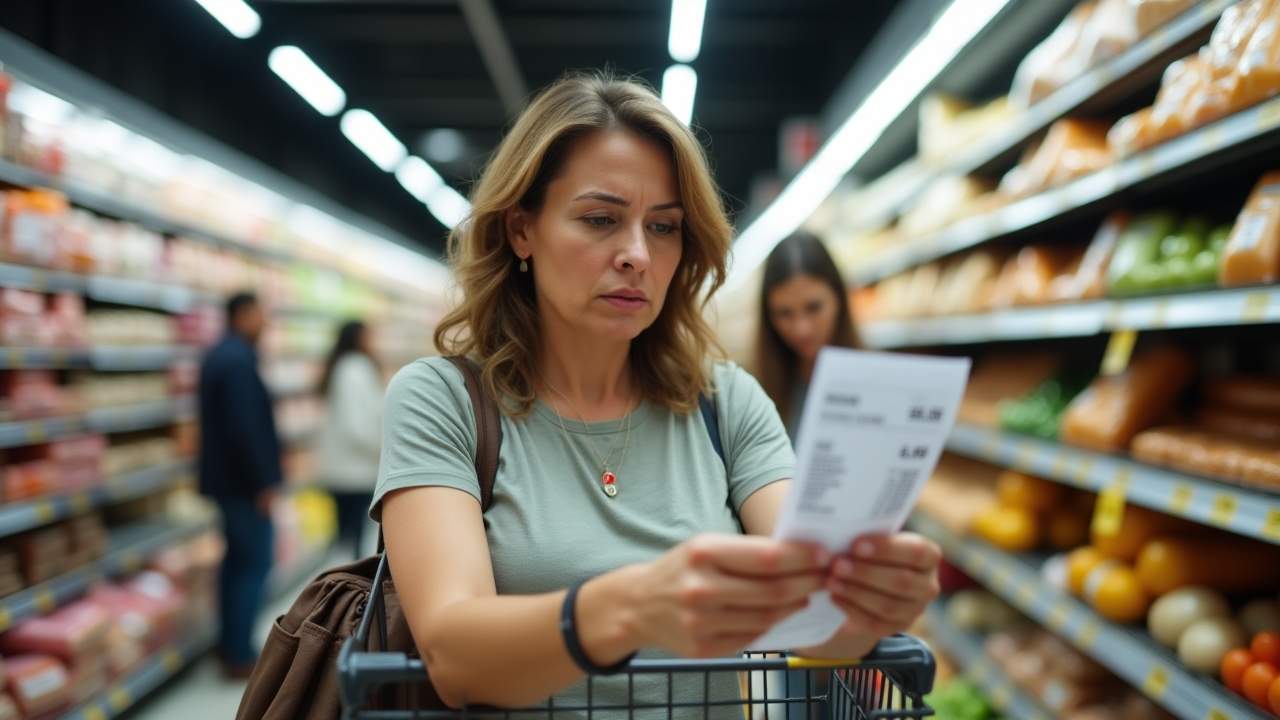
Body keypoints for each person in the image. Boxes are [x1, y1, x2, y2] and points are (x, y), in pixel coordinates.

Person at [374, 72, 940, 713]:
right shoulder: (443, 401)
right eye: (599, 219)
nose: (637, 254)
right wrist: (633, 605)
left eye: (664, 227)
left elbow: (823, 622)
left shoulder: (727, 403)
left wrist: (873, 600)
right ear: (521, 230)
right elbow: (454, 658)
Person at [198, 292, 281, 679]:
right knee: (253, 563)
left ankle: (228, 645)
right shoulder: (237, 362)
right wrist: (263, 482)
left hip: (226, 483)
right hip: (243, 486)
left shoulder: (220, 355)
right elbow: (244, 430)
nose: (266, 322)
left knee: (235, 564)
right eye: (262, 314)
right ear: (243, 315)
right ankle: (241, 652)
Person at [756, 232, 859, 440]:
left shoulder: (880, 382)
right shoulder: (755, 393)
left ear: (838, 297)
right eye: (784, 313)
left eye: (814, 307)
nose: (801, 329)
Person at [315, 320, 384, 559]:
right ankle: (353, 589)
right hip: (357, 469)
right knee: (355, 538)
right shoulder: (356, 370)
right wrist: (383, 450)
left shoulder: (340, 367)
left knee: (345, 534)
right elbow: (357, 426)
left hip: (342, 468)